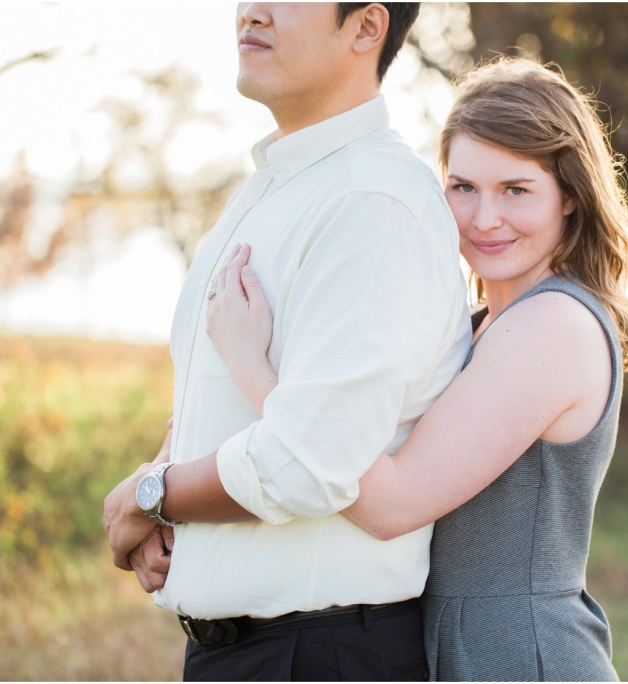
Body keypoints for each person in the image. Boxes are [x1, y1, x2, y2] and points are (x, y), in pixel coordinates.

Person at [201, 57, 628, 681]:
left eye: (515, 190)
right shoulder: (482, 323)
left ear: (570, 198)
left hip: (522, 657)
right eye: (462, 187)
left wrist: (255, 365)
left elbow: (390, 505)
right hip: (454, 646)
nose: (483, 218)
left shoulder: (553, 327)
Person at [102, 3, 472, 681]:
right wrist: (155, 483)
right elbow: (216, 401)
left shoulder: (372, 200)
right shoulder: (280, 185)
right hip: (247, 653)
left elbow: (310, 460)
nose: (251, 10)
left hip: (319, 655)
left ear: (365, 27)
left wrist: (152, 496)